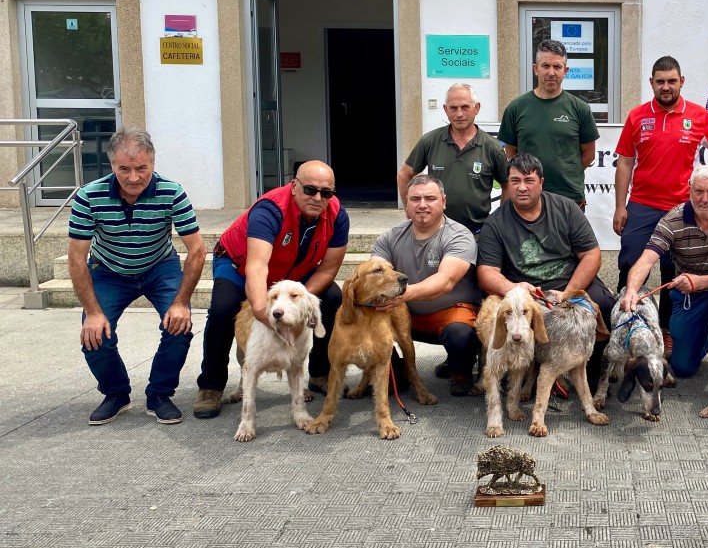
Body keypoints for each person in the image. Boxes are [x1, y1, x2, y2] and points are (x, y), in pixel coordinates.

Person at [67, 129, 206, 425]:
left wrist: (181, 302)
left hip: (159, 266)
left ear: (153, 164)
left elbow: (197, 250)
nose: (133, 178)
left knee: (179, 326)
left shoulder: (172, 192)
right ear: (112, 166)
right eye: (124, 169)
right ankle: (116, 394)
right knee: (95, 335)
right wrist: (92, 312)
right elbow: (76, 258)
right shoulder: (88, 196)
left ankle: (159, 394)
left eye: (142, 168)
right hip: (108, 270)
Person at [194, 161, 349, 418]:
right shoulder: (270, 209)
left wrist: (301, 301)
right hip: (239, 264)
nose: (318, 198)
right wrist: (260, 310)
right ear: (294, 186)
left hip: (295, 271)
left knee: (332, 298)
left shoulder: (337, 215)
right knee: (223, 309)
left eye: (326, 192)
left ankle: (319, 373)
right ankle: (211, 386)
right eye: (310, 189)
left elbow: (328, 270)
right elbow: (257, 267)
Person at [613, 56, 708, 351]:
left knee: (674, 274)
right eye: (660, 81)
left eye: (671, 81)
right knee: (631, 267)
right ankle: (627, 323)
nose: (666, 87)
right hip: (641, 206)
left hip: (682, 210)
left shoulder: (699, 115)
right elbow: (625, 163)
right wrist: (620, 206)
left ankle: (666, 330)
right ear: (651, 83)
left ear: (681, 82)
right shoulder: (637, 116)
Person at [477, 152, 615, 389]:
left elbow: (591, 255)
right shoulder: (495, 223)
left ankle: (590, 371)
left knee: (603, 303)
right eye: (515, 181)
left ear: (541, 182)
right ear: (507, 185)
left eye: (529, 180)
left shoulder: (567, 209)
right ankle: (531, 370)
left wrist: (569, 293)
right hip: (525, 290)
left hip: (569, 281)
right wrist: (515, 289)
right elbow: (486, 272)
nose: (522, 188)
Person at [620, 166, 708, 389]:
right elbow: (646, 260)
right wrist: (631, 290)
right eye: (699, 191)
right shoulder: (672, 219)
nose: (705, 199)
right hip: (691, 293)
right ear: (689, 190)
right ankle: (705, 327)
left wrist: (700, 281)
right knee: (682, 368)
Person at [372, 175, 482, 397]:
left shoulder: (459, 235)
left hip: (449, 314)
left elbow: (445, 281)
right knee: (369, 314)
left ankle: (460, 371)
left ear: (443, 201)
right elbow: (376, 273)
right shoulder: (390, 237)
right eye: (415, 199)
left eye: (430, 198)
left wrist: (404, 293)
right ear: (406, 202)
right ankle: (394, 368)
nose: (422, 205)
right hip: (404, 313)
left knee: (460, 334)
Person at [397, 83, 508, 234]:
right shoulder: (430, 141)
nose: (459, 114)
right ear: (445, 109)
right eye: (453, 108)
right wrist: (409, 211)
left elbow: (507, 185)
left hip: (478, 233)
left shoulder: (492, 147)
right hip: (436, 233)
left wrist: (501, 220)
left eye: (465, 107)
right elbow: (404, 175)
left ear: (477, 108)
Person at [498, 39, 598, 206]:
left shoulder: (580, 108)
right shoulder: (516, 108)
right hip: (528, 197)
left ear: (565, 71)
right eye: (545, 66)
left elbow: (589, 154)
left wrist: (567, 173)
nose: (551, 72)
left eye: (557, 67)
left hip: (569, 197)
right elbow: (511, 151)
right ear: (535, 69)